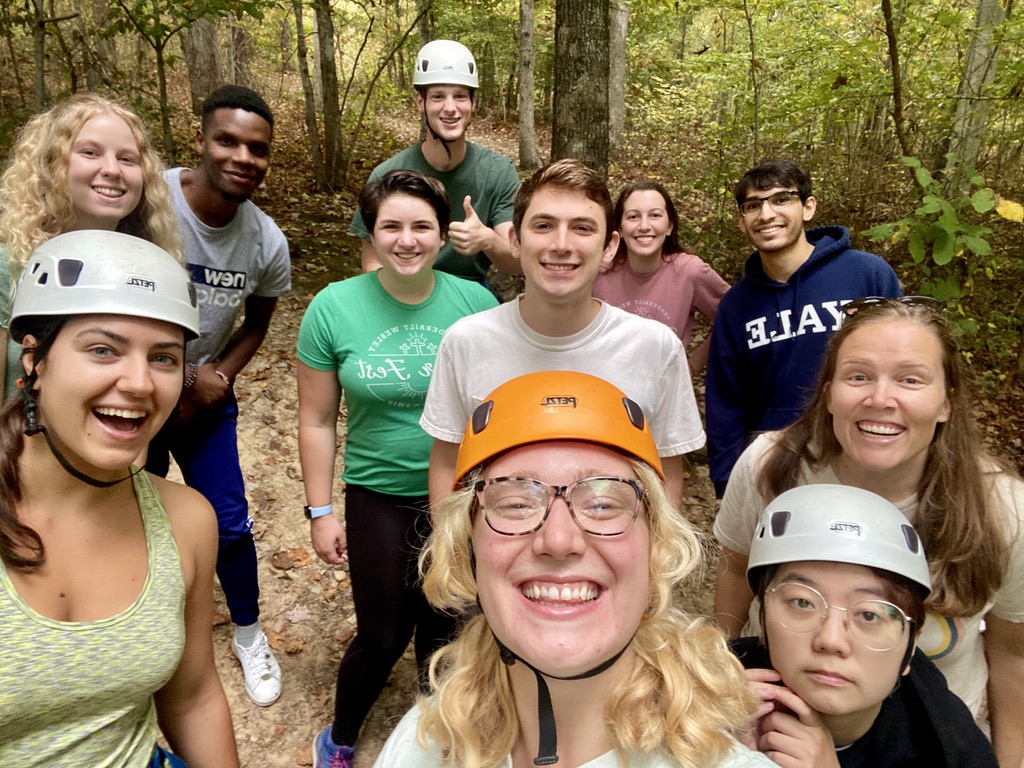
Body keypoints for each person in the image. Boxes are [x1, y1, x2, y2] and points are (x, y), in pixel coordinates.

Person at [374, 370, 775, 768]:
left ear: (656, 547)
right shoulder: (419, 744)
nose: (558, 540)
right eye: (516, 503)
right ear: (468, 548)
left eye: (603, 504)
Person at [712, 297, 1024, 767]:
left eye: (910, 380)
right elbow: (737, 572)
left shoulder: (1003, 510)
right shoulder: (772, 468)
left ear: (946, 402)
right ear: (828, 392)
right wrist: (719, 674)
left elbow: (1012, 656)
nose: (880, 399)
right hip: (775, 723)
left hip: (929, 744)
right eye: (858, 376)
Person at [0, 230, 238, 767]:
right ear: (34, 360)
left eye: (164, 358)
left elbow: (194, 696)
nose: (139, 383)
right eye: (103, 349)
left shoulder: (185, 520)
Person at [297, 170, 497, 767]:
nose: (406, 240)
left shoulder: (476, 304)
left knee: (447, 629)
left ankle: (431, 739)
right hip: (377, 492)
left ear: (442, 235)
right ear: (371, 232)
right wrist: (320, 511)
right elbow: (316, 420)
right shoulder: (333, 307)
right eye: (391, 226)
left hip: (460, 496)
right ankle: (339, 738)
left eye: (421, 227)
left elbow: (500, 409)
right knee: (383, 635)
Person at [420, 159, 705, 507]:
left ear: (610, 247)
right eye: (543, 225)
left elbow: (667, 469)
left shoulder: (654, 347)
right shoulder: (466, 342)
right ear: (515, 240)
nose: (561, 244)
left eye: (582, 228)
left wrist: (658, 542)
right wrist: (450, 541)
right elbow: (447, 461)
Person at [145, 84, 291, 707]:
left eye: (257, 149)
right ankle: (146, 628)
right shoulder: (149, 204)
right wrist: (177, 375)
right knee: (134, 513)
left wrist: (217, 378)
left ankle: (249, 632)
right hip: (132, 391)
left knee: (228, 521)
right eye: (227, 141)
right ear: (201, 140)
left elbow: (257, 324)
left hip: (206, 397)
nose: (242, 157)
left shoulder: (266, 242)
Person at [733, 484, 998, 767]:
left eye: (870, 615)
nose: (831, 640)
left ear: (911, 647)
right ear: (763, 619)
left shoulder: (948, 747)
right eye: (802, 602)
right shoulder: (710, 695)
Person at [705, 159, 901, 497]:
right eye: (753, 205)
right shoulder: (735, 305)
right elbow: (725, 401)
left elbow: (906, 361)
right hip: (776, 467)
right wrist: (727, 482)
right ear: (742, 221)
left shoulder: (867, 275)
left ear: (808, 207)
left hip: (866, 457)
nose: (766, 214)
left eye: (781, 199)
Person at [0, 93, 182, 402]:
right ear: (51, 164)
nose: (112, 169)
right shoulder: (11, 266)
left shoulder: (151, 272)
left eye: (127, 158)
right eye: (90, 152)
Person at [348, 39, 520, 286]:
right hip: (403, 286)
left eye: (460, 96)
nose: (450, 108)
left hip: (468, 288)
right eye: (438, 96)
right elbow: (372, 262)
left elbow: (517, 261)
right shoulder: (387, 175)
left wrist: (487, 240)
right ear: (421, 103)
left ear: (472, 103)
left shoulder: (498, 172)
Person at [593, 180, 729, 375]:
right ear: (620, 229)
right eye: (633, 216)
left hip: (665, 388)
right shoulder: (598, 271)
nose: (644, 226)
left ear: (669, 226)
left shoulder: (689, 272)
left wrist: (692, 366)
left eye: (655, 215)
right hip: (604, 384)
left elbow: (734, 316)